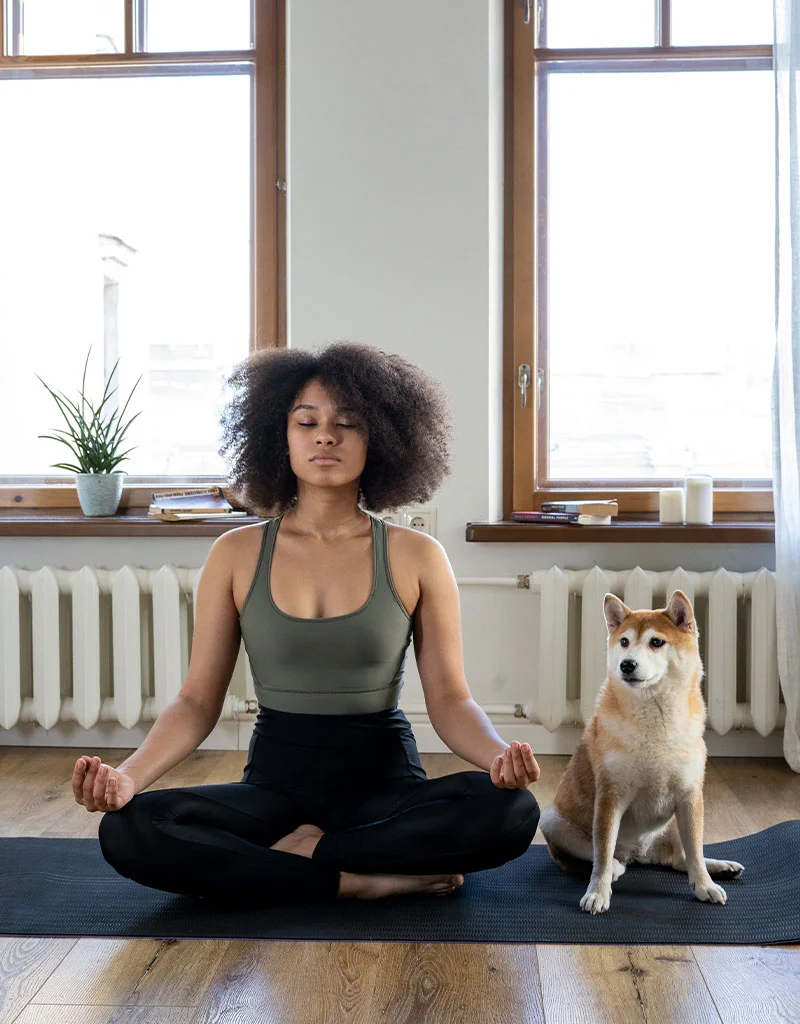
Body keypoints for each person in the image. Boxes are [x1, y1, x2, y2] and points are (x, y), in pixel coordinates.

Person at [74, 341, 541, 904]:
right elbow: (197, 702)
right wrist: (127, 777)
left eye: (347, 424)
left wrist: (497, 759)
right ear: (280, 437)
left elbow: (450, 700)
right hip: (274, 789)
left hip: (385, 788)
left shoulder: (417, 555)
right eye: (307, 422)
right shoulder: (235, 553)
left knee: (512, 811)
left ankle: (300, 860)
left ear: (380, 439)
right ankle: (356, 879)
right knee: (131, 828)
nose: (326, 437)